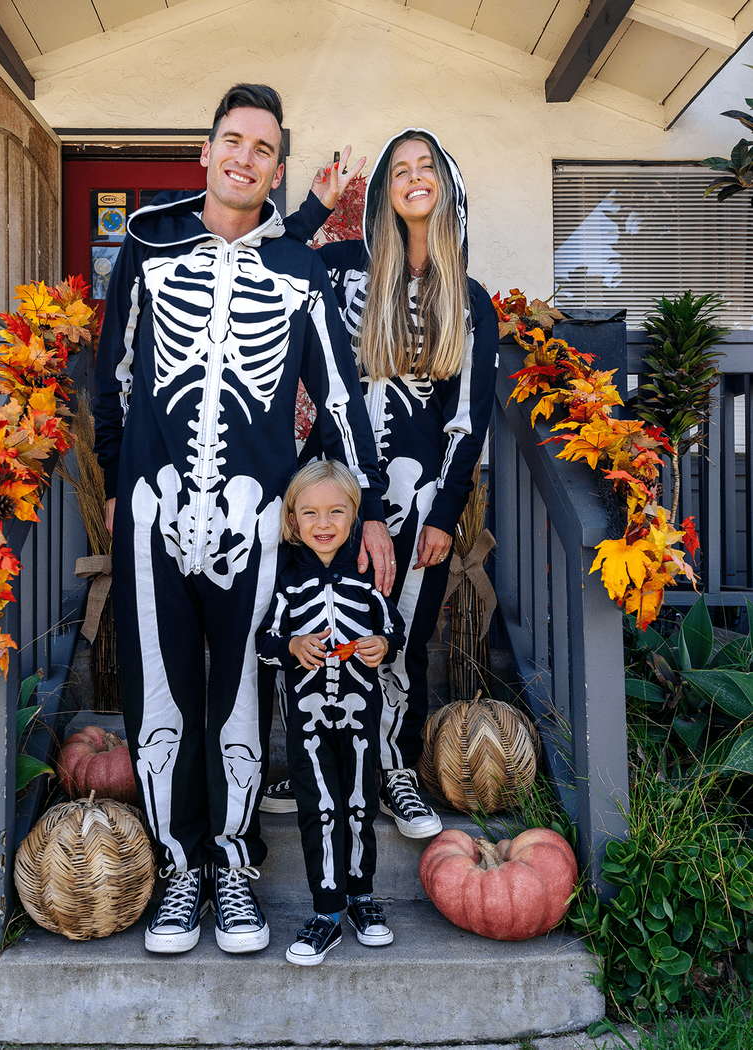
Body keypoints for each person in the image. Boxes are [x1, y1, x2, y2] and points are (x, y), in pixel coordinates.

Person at [93, 84, 394, 956]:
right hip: (154, 508)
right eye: (233, 141)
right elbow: (112, 377)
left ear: (275, 167)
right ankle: (180, 869)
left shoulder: (299, 270)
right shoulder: (148, 241)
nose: (244, 158)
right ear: (207, 150)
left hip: (256, 517)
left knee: (239, 698)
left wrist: (363, 509)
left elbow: (335, 401)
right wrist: (118, 482)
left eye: (263, 149)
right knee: (162, 697)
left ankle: (233, 869)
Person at [263, 128, 499, 839]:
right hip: (330, 486)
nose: (414, 177)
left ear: (447, 187)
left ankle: (393, 766)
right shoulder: (338, 269)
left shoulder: (471, 301)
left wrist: (445, 512)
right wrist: (312, 206)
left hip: (421, 493)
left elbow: (468, 419)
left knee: (402, 631)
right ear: (383, 192)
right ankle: (299, 765)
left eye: (427, 166)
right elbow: (265, 255)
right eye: (401, 168)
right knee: (309, 617)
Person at [256, 460, 406, 965]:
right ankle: (327, 910)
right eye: (311, 512)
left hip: (361, 720)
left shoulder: (365, 583)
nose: (324, 523)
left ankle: (362, 898)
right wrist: (293, 644)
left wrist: (382, 645)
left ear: (355, 517)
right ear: (292, 520)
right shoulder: (286, 584)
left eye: (337, 511)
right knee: (318, 810)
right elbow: (265, 643)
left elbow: (394, 627)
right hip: (309, 721)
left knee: (360, 806)